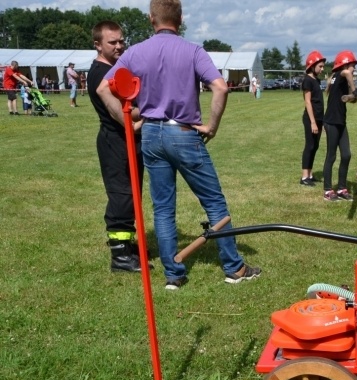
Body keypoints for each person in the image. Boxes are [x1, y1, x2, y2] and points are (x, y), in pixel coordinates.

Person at [97, 0, 260, 289]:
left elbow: (102, 88)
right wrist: (212, 126)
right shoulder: (193, 50)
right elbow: (220, 87)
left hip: (150, 134)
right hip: (183, 133)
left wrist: (129, 123)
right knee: (214, 203)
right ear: (180, 19)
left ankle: (173, 274)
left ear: (151, 19)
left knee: (163, 208)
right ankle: (234, 268)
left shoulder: (135, 52)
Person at [88, 20, 150, 273]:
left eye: (121, 41)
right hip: (116, 142)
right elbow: (126, 120)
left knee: (131, 195)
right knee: (122, 196)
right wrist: (153, 112)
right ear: (98, 45)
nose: (119, 46)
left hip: (127, 142)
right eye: (112, 42)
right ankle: (120, 257)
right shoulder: (101, 74)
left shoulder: (114, 69)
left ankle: (128, 246)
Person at [321, 50, 357, 201]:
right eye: (352, 65)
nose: (354, 69)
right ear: (345, 64)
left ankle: (342, 188)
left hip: (341, 121)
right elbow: (348, 74)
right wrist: (355, 91)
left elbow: (347, 99)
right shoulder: (341, 74)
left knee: (346, 154)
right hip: (331, 122)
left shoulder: (336, 78)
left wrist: (352, 96)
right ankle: (328, 190)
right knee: (331, 156)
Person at [300, 50, 325, 187]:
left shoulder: (317, 80)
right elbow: (308, 102)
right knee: (309, 146)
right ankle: (304, 177)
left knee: (315, 146)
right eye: (320, 66)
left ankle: (310, 174)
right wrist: (313, 122)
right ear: (312, 65)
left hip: (319, 119)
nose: (322, 69)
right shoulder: (307, 81)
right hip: (311, 119)